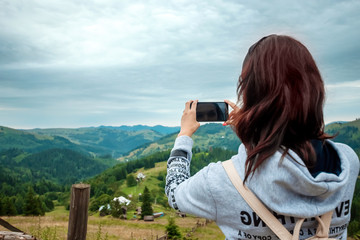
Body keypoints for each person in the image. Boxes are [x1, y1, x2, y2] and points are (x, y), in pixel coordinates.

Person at [165, 34, 359, 239]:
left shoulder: (221, 181)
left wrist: (184, 135)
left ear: (250, 93)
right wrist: (252, 131)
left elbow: (174, 192)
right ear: (314, 88)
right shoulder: (347, 162)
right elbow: (290, 160)